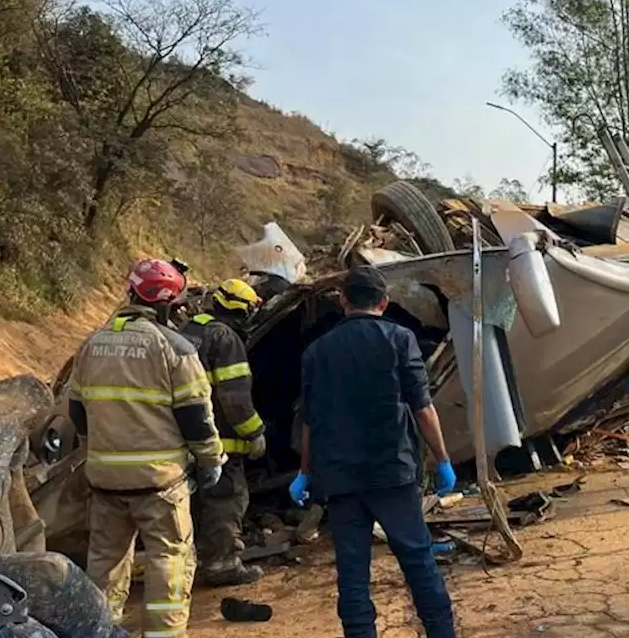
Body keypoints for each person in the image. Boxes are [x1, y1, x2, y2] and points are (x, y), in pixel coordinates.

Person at [291, 264, 458, 638]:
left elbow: (309, 420)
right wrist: (443, 460)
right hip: (392, 472)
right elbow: (422, 407)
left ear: (342, 301)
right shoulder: (400, 339)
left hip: (339, 479)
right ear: (384, 302)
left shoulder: (316, 352)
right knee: (418, 560)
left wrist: (305, 471)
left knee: (352, 574)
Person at [66, 258, 225, 637]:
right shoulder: (174, 348)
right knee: (169, 559)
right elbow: (195, 419)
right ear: (169, 302)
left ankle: (100, 630)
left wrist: (98, 452)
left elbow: (77, 411)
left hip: (104, 481)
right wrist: (210, 460)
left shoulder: (91, 344)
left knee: (104, 562)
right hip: (160, 484)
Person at [179, 278, 267, 587]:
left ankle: (200, 558)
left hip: (185, 438)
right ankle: (222, 565)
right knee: (227, 499)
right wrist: (255, 432)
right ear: (242, 312)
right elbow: (235, 399)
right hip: (221, 440)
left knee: (199, 502)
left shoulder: (188, 331)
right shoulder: (226, 339)